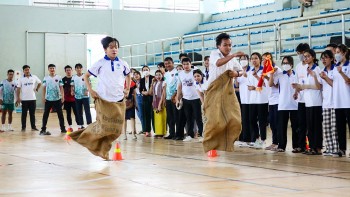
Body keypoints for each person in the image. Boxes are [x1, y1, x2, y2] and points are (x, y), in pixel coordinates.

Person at [70, 36, 131, 160]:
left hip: (119, 100)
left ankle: (99, 147)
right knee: (103, 127)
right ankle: (85, 138)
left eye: (116, 47)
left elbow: (128, 75)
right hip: (103, 100)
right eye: (111, 47)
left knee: (117, 130)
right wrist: (91, 90)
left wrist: (128, 88)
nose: (114, 50)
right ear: (105, 49)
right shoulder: (100, 63)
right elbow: (86, 76)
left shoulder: (123, 63)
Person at [203, 32, 244, 152]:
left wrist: (236, 74)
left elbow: (241, 72)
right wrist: (234, 55)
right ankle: (210, 146)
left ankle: (227, 144)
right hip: (213, 91)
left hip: (228, 92)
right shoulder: (214, 54)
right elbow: (218, 63)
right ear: (218, 46)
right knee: (214, 121)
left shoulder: (232, 58)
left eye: (230, 45)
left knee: (235, 118)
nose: (228, 48)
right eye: (225, 45)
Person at [296, 49, 323, 155]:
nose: (305, 58)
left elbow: (318, 86)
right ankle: (311, 146)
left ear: (313, 57)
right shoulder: (307, 69)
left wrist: (306, 86)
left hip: (316, 101)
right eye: (304, 56)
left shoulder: (316, 69)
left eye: (307, 56)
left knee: (316, 126)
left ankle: (318, 148)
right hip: (308, 101)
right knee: (310, 126)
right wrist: (300, 88)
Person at [269, 56, 299, 152]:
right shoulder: (280, 75)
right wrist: (271, 74)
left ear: (291, 64)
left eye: (287, 63)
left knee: (295, 127)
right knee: (281, 126)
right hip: (282, 104)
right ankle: (281, 146)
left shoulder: (296, 75)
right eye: (284, 63)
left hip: (295, 105)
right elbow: (270, 84)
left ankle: (296, 146)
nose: (285, 65)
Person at [177, 57, 203, 142]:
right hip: (185, 98)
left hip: (196, 98)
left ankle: (202, 134)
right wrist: (178, 98)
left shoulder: (194, 72)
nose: (186, 66)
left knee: (198, 117)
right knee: (189, 118)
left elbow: (200, 83)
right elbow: (180, 87)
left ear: (190, 64)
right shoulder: (180, 74)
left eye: (187, 64)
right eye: (184, 64)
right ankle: (190, 135)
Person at [319, 50, 339, 156]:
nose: (324, 60)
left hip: (335, 103)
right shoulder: (322, 71)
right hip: (326, 103)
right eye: (322, 58)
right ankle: (329, 148)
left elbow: (335, 85)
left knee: (334, 127)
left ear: (331, 58)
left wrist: (326, 78)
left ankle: (336, 149)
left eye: (326, 57)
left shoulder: (336, 70)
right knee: (326, 127)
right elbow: (321, 88)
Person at [247, 52, 269, 149]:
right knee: (252, 120)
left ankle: (263, 140)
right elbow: (249, 86)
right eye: (252, 58)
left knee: (262, 121)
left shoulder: (264, 71)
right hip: (252, 100)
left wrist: (256, 78)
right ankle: (256, 138)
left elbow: (265, 85)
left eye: (256, 58)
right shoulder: (249, 72)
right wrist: (255, 87)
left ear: (260, 59)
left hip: (262, 100)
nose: (254, 60)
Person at [332, 44, 350, 157]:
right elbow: (333, 83)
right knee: (340, 127)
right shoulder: (335, 67)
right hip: (338, 101)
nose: (336, 54)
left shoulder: (349, 65)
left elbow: (348, 81)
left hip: (347, 100)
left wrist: (341, 72)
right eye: (335, 52)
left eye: (338, 52)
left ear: (344, 53)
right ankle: (342, 149)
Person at [40, 64, 66, 135]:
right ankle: (43, 129)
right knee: (45, 114)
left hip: (57, 99)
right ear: (48, 69)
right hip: (48, 99)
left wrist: (62, 96)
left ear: (55, 69)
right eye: (50, 68)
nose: (52, 69)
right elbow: (44, 88)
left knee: (60, 114)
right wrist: (43, 97)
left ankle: (63, 128)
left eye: (53, 68)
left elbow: (61, 88)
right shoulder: (46, 78)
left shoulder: (59, 77)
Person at [294, 43, 310, 153]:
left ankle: (312, 145)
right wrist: (296, 91)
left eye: (301, 53)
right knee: (301, 124)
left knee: (310, 124)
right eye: (298, 54)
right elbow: (297, 82)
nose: (300, 55)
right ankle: (301, 145)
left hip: (310, 100)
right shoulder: (298, 66)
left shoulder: (312, 66)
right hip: (301, 99)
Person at [16, 65, 41, 132]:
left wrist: (37, 88)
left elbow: (40, 83)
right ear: (23, 71)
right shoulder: (21, 79)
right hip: (24, 100)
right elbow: (18, 89)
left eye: (28, 69)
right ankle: (23, 127)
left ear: (30, 70)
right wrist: (18, 97)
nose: (27, 71)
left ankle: (33, 127)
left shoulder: (34, 77)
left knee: (32, 114)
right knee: (24, 114)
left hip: (33, 99)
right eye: (25, 70)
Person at [235, 55, 251, 147]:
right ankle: (244, 138)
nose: (243, 61)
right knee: (243, 119)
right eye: (241, 59)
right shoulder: (239, 71)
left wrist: (246, 75)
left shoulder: (252, 70)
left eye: (245, 59)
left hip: (252, 99)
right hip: (243, 98)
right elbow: (237, 85)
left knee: (251, 120)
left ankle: (251, 139)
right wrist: (236, 77)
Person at [71, 63, 92, 130]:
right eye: (77, 68)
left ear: (82, 69)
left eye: (80, 68)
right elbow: (72, 85)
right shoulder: (73, 77)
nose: (79, 69)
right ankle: (80, 125)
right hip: (77, 97)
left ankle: (89, 124)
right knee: (79, 111)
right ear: (75, 69)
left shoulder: (85, 76)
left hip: (85, 97)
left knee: (87, 110)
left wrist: (87, 90)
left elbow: (90, 84)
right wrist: (72, 91)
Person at [163, 57, 180, 140]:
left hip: (175, 98)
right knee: (170, 117)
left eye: (169, 63)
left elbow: (179, 85)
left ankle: (178, 134)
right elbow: (165, 87)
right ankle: (171, 133)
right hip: (168, 98)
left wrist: (175, 94)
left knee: (177, 116)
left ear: (173, 63)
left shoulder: (177, 72)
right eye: (166, 64)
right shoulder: (166, 74)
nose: (167, 65)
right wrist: (164, 99)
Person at [149, 70, 167, 138]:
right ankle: (158, 132)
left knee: (162, 117)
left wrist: (160, 103)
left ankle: (162, 132)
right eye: (156, 75)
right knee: (156, 117)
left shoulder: (164, 82)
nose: (158, 76)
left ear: (162, 75)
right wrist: (152, 82)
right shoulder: (154, 83)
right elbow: (151, 93)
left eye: (159, 75)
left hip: (161, 100)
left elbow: (163, 94)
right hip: (155, 100)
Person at [139, 65, 154, 137]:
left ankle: (156, 130)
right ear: (142, 71)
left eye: (147, 69)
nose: (145, 71)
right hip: (145, 98)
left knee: (153, 115)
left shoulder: (153, 78)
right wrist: (144, 93)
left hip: (153, 98)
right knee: (146, 115)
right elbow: (140, 89)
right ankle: (147, 130)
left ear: (149, 70)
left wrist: (149, 93)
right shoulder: (141, 80)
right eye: (144, 70)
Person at [62, 65, 78, 131]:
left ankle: (79, 126)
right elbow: (61, 89)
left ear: (72, 70)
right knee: (68, 113)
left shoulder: (75, 78)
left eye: (69, 70)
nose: (68, 71)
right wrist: (62, 98)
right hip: (67, 100)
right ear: (65, 71)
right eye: (67, 70)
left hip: (75, 99)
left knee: (77, 113)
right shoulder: (63, 79)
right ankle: (70, 126)